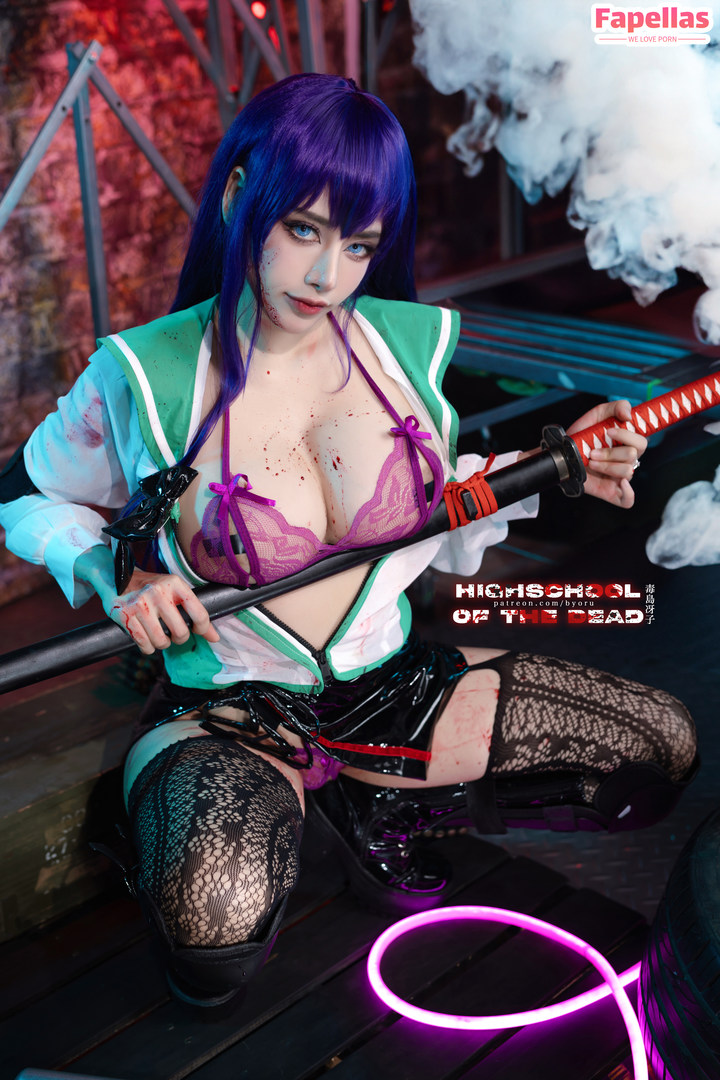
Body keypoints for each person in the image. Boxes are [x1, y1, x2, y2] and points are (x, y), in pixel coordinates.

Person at [0, 73, 697, 1008]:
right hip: (231, 708)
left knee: (656, 748)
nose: (328, 276)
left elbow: (437, 500)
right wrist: (110, 572)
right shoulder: (145, 371)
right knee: (214, 939)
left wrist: (556, 464)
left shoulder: (401, 348)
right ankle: (231, 806)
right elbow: (27, 493)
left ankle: (378, 799)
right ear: (241, 195)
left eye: (358, 243)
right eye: (303, 230)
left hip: (386, 686)